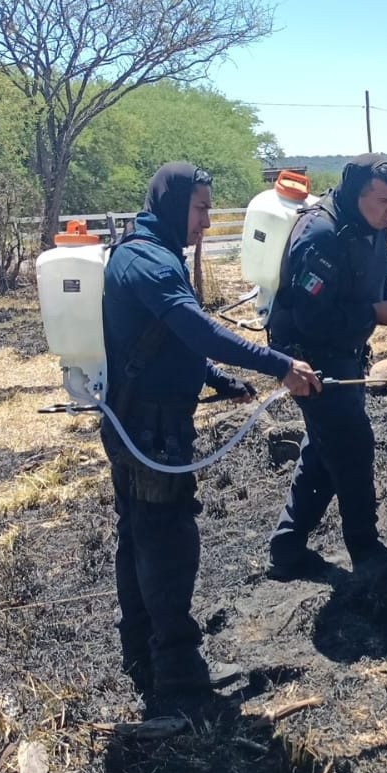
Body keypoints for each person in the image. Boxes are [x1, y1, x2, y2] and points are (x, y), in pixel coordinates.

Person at [101, 162, 321, 714]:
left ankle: (143, 657)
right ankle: (177, 671)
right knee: (167, 543)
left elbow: (168, 338)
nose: (204, 221)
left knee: (140, 537)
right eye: (200, 209)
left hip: (140, 420)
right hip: (150, 430)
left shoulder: (149, 252)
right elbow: (196, 328)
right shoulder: (150, 262)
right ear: (174, 205)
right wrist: (279, 364)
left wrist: (215, 377)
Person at [265, 154, 387, 581]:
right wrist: (373, 314)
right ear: (355, 194)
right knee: (351, 446)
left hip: (345, 349)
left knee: (325, 449)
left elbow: (379, 278)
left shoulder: (372, 228)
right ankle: (366, 552)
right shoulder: (321, 235)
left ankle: (287, 549)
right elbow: (313, 319)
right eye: (383, 201)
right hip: (309, 356)